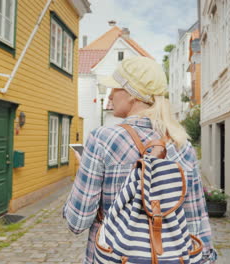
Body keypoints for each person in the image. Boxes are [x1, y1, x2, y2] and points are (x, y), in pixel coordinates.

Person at [63, 56, 217, 264]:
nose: (109, 95)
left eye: (114, 88)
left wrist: (83, 172)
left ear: (131, 94)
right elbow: (196, 222)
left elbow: (77, 221)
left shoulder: (102, 140)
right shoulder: (182, 144)